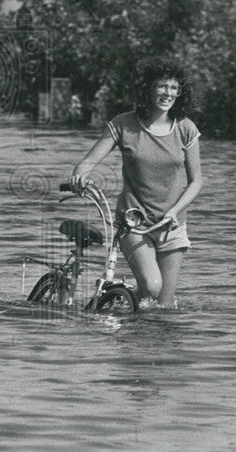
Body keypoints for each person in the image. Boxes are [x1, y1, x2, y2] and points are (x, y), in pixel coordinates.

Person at [69, 58, 203, 307]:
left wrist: (175, 211)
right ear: (149, 89)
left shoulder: (186, 128)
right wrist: (79, 175)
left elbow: (196, 182)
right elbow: (88, 161)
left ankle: (138, 340)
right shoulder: (124, 124)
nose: (168, 93)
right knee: (152, 286)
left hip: (172, 226)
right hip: (134, 225)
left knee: (162, 307)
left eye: (174, 88)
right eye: (162, 86)